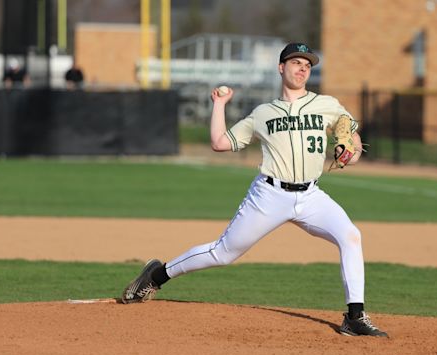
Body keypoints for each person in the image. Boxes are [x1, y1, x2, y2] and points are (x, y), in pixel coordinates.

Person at [120, 43, 388, 337]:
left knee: (351, 236)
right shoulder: (263, 113)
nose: (302, 68)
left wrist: (352, 152)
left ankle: (354, 316)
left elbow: (351, 137)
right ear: (281, 68)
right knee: (223, 253)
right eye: (296, 62)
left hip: (311, 196)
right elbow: (220, 143)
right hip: (269, 195)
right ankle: (157, 274)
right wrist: (219, 105)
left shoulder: (326, 105)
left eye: (307, 65)